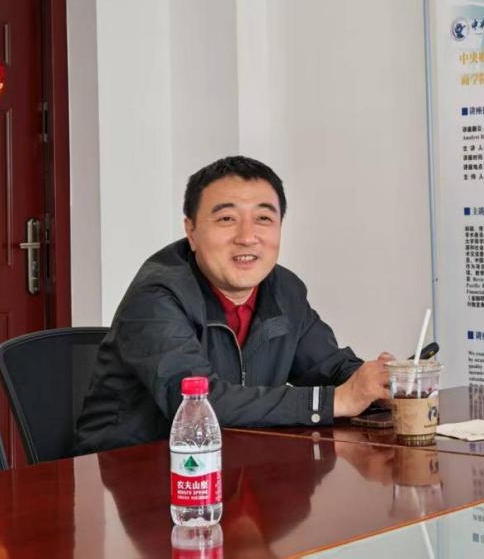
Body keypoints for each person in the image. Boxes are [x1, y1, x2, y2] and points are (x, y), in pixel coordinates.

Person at [75, 156, 392, 454]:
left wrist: (383, 384)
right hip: (130, 473)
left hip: (236, 464)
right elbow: (197, 404)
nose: (247, 237)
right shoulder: (156, 297)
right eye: (227, 219)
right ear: (191, 231)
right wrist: (334, 401)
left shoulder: (284, 289)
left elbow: (329, 368)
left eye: (264, 218)